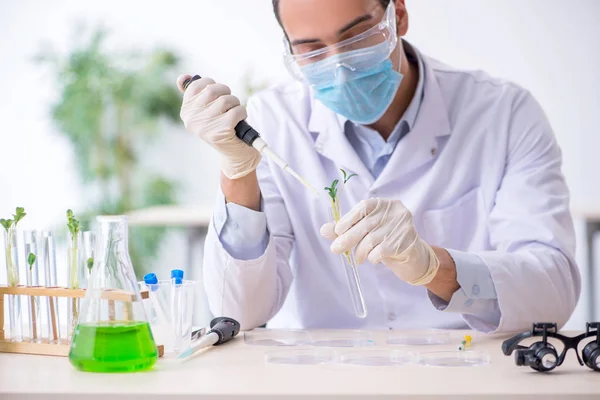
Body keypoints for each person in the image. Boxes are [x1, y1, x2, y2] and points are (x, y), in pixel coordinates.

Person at [177, 0, 580, 333]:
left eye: (356, 36)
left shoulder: (504, 114)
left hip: (462, 374)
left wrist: (433, 267)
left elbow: (553, 291)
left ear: (398, 16)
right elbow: (240, 313)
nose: (339, 66)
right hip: (320, 379)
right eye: (312, 49)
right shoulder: (274, 120)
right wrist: (237, 172)